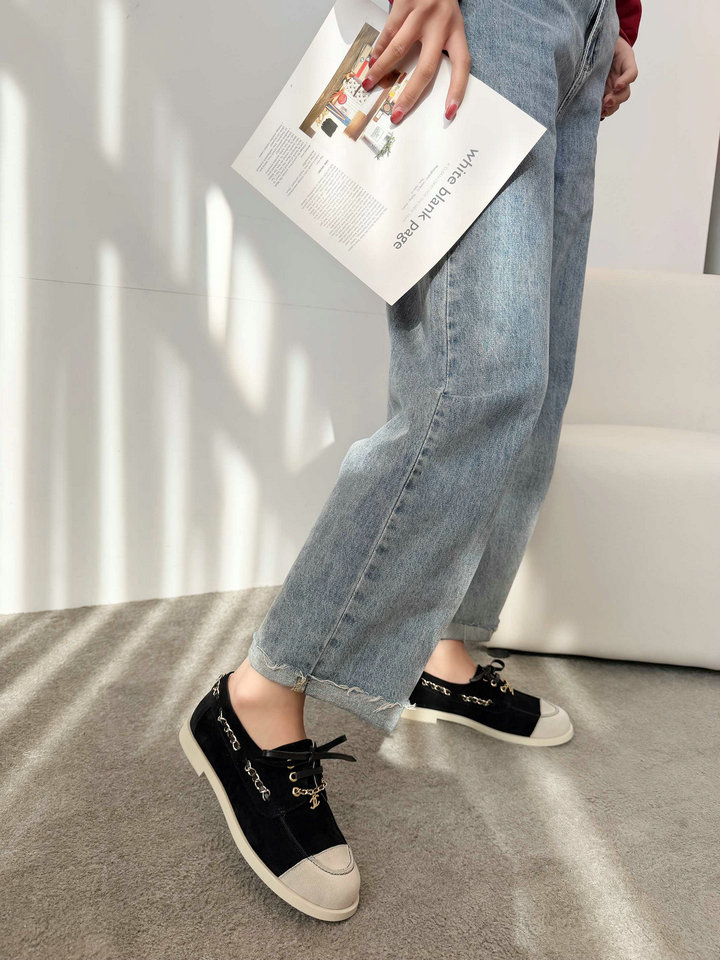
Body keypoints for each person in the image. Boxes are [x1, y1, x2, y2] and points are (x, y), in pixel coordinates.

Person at [179, 0, 641, 922]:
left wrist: (621, 22)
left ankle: (444, 651)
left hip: (587, 34)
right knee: (481, 374)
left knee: (537, 381)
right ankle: (259, 696)